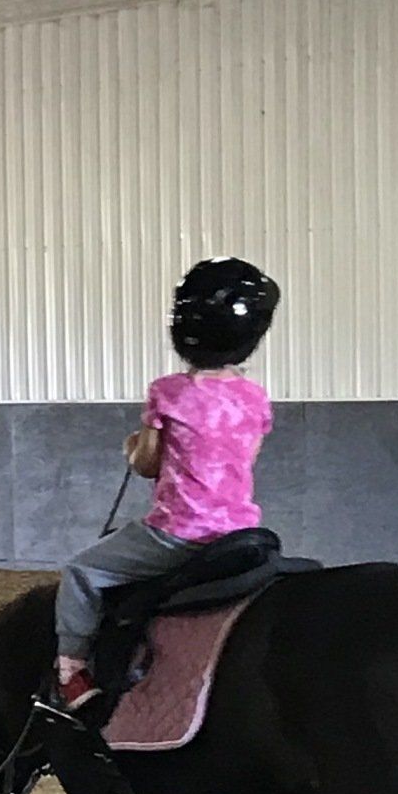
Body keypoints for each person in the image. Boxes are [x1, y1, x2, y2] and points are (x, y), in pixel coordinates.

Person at [48, 258, 281, 718]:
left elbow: (147, 464)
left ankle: (71, 670)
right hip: (239, 535)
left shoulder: (168, 392)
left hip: (176, 534)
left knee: (81, 571)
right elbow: (243, 461)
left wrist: (131, 445)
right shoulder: (255, 397)